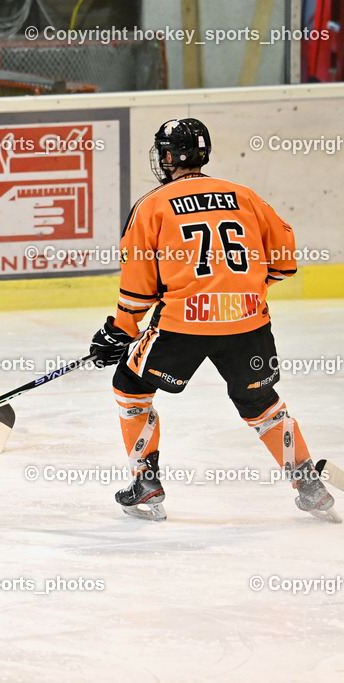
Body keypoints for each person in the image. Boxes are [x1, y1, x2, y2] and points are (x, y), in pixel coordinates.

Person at [90, 117, 337, 522]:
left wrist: (119, 330)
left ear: (169, 157)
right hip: (248, 323)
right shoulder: (245, 196)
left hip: (183, 326)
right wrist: (239, 290)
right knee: (262, 404)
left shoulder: (152, 205)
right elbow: (284, 260)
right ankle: (309, 485)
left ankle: (146, 483)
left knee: (129, 386)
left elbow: (138, 287)